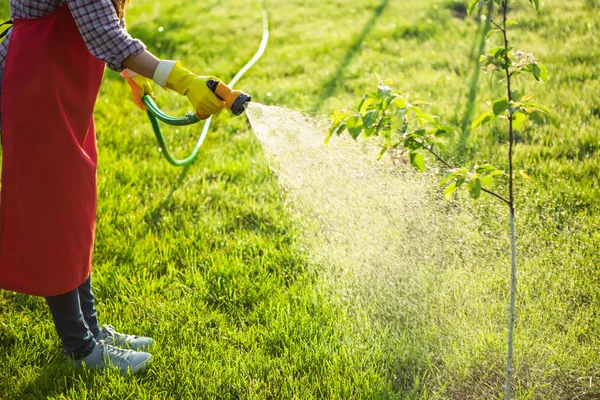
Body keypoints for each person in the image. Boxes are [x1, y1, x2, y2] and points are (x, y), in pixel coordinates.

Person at [0, 0, 226, 375]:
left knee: (74, 207)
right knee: (55, 215)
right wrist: (182, 80)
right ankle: (80, 348)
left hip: (56, 80)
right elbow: (103, 33)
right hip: (36, 81)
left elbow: (98, 20)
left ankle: (90, 328)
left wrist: (131, 75)